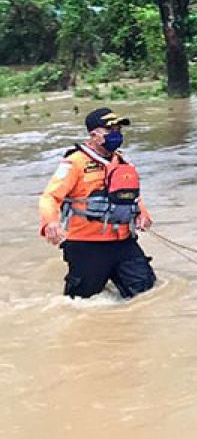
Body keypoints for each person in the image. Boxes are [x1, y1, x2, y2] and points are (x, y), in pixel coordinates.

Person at [38, 107, 156, 299]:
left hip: (123, 242)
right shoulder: (74, 162)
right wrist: (50, 222)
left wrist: (143, 215)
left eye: (118, 129)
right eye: (110, 130)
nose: (116, 134)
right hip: (86, 244)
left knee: (147, 292)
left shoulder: (123, 162)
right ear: (94, 135)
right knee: (80, 302)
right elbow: (49, 197)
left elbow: (133, 197)